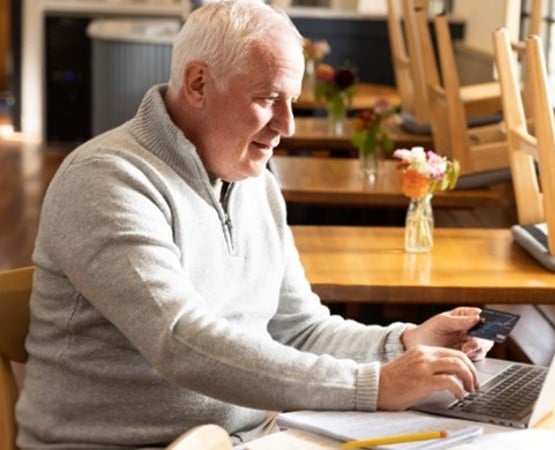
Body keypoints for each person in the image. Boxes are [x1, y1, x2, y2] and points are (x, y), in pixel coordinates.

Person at [15, 1, 493, 448]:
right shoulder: (107, 179)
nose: (287, 125)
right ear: (198, 83)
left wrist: (400, 343)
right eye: (268, 98)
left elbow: (299, 330)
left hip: (254, 436)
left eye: (292, 101)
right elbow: (181, 340)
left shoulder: (253, 181)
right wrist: (374, 385)